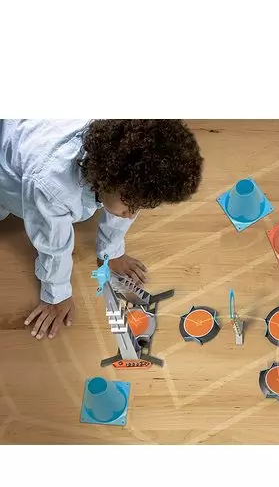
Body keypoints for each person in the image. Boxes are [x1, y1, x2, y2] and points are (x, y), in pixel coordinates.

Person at [0, 119, 203, 341]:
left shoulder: (121, 156)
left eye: (141, 205)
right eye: (130, 204)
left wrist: (111, 252)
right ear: (107, 177)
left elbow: (127, 200)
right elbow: (51, 244)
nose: (132, 214)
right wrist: (56, 295)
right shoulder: (52, 185)